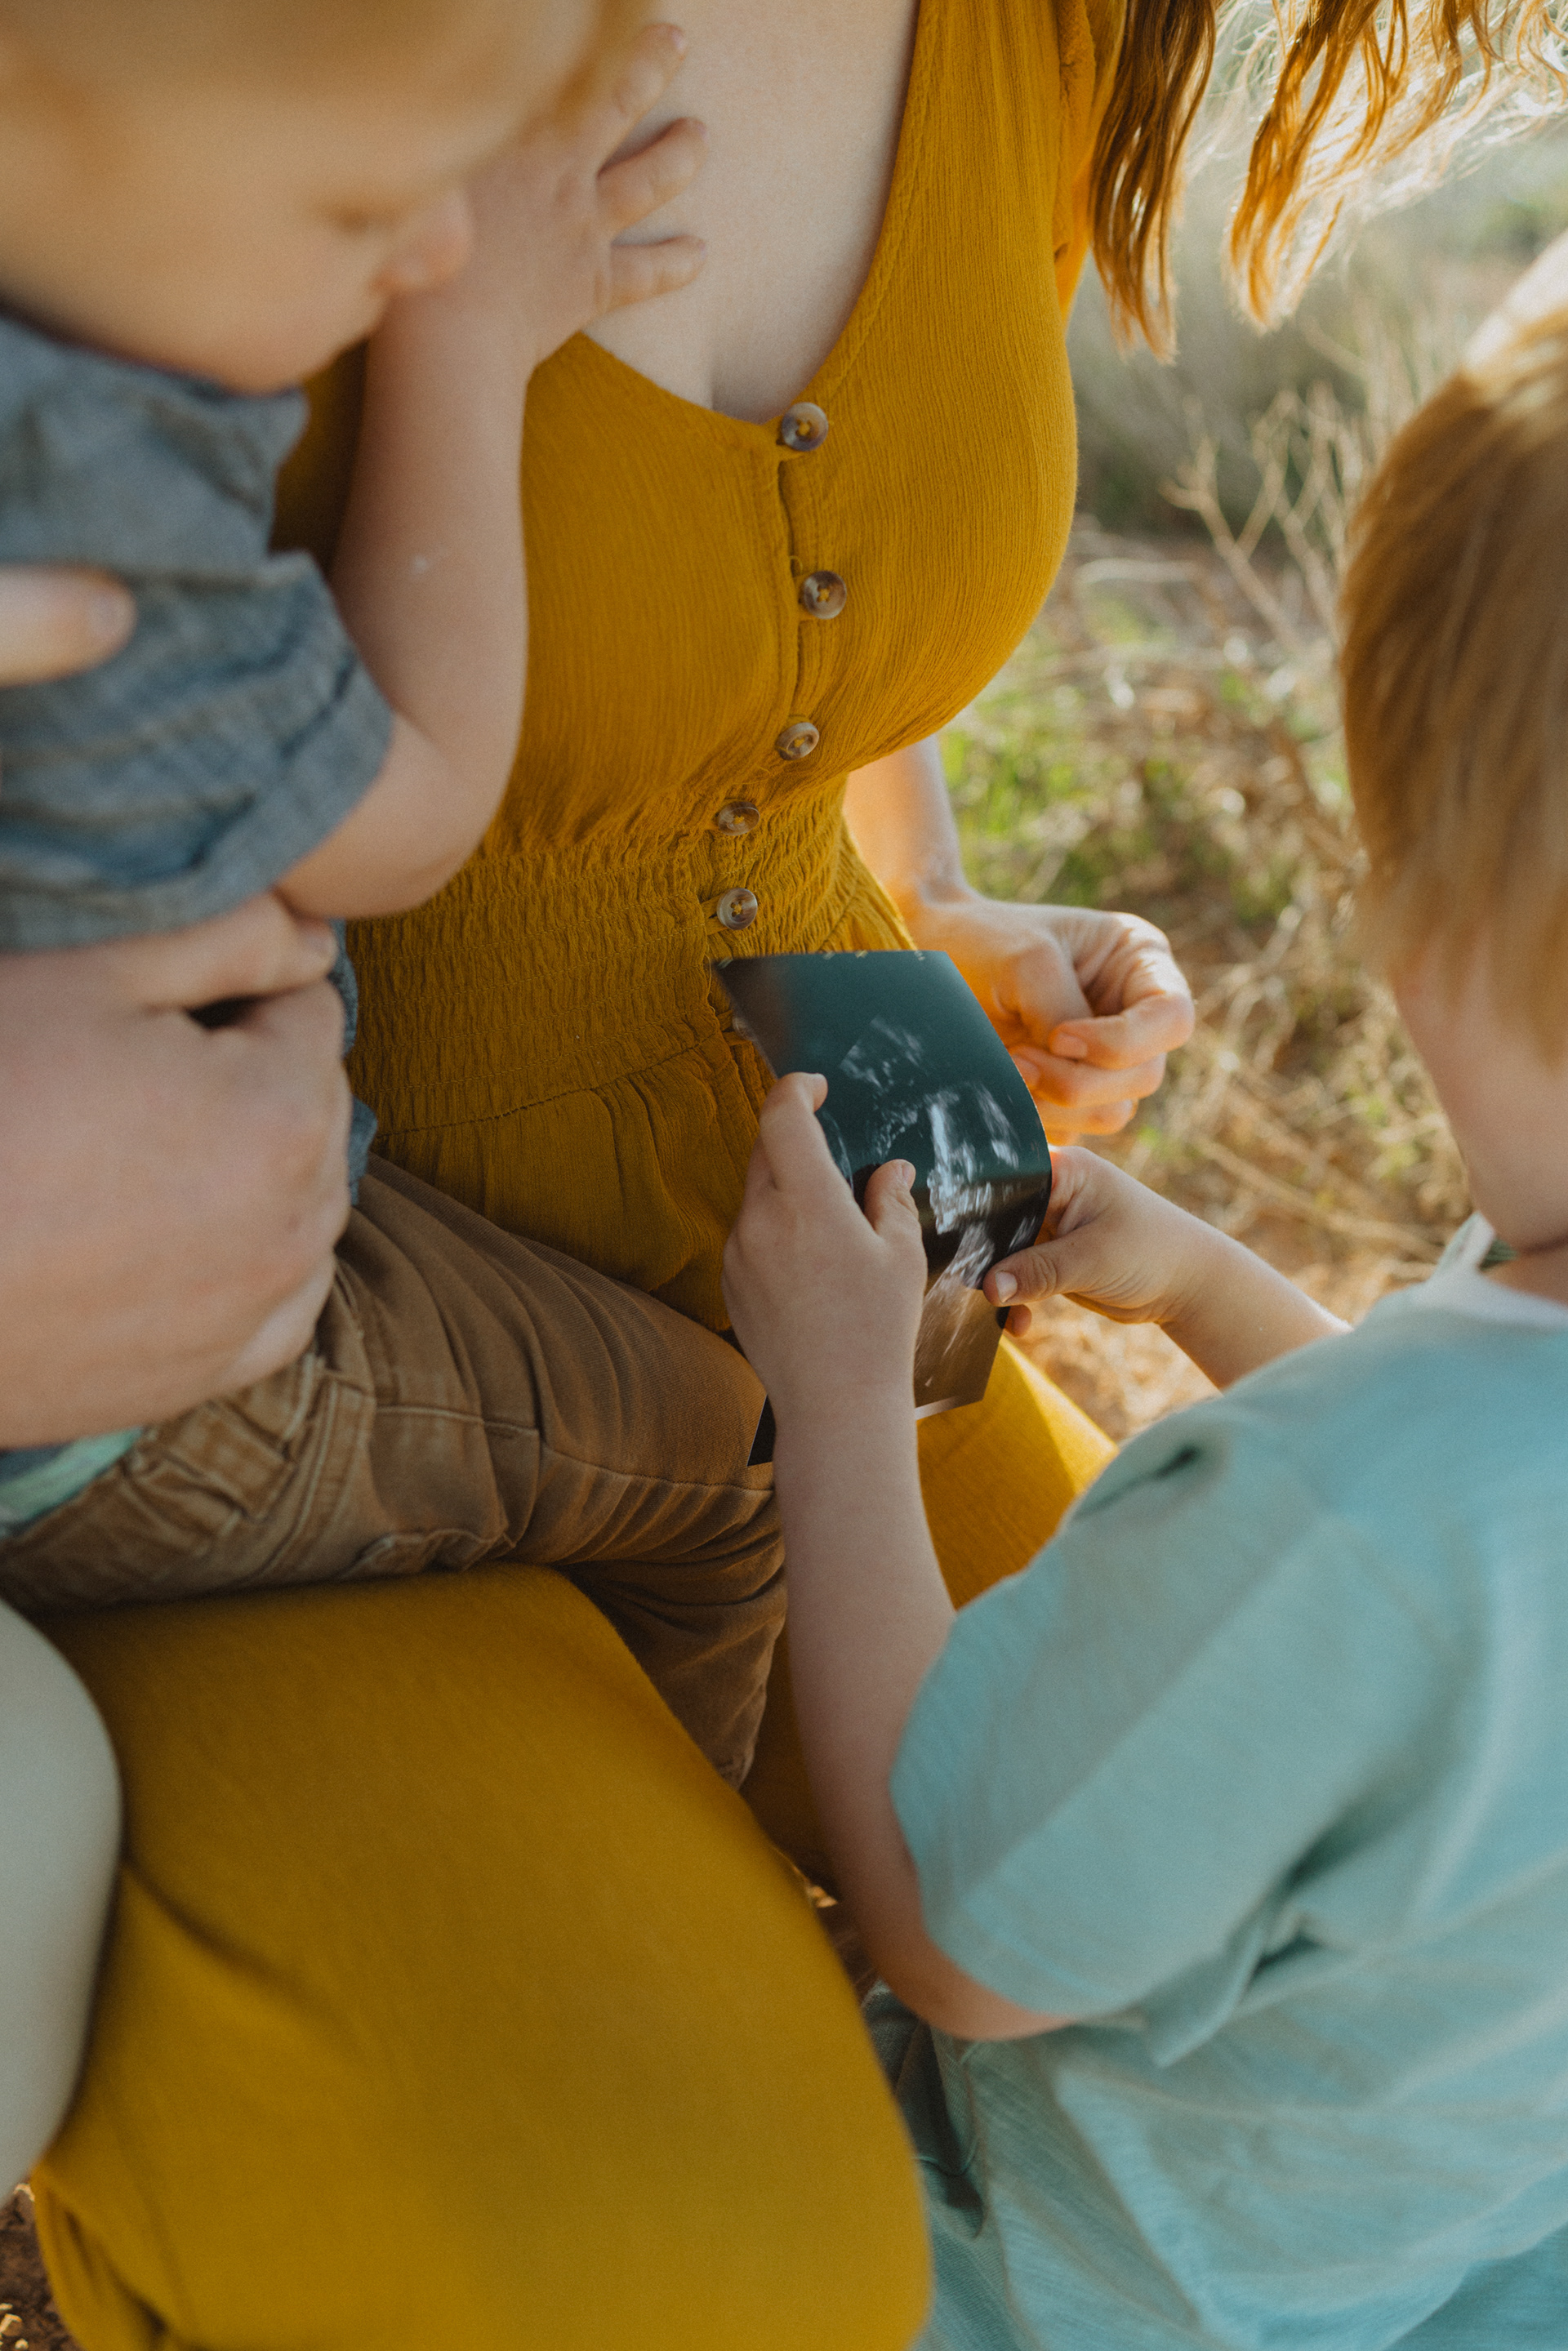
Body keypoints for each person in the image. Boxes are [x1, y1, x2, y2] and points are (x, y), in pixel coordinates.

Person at [275, 0, 1553, 1871]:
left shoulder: (1046, 31)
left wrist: (927, 888)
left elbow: (834, 520)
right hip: (366, 1330)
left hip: (897, 1300)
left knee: (1202, 1866)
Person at [719, 292, 1568, 2350]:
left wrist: (840, 1399)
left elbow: (951, 1918)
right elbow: (1463, 1593)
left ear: (1419, 905)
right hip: (1405, 2275)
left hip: (1045, 2289)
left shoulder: (1336, 1522)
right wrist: (1198, 1281)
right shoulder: (1437, 1479)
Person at [0, 0, 792, 1788]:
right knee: (725, 1463)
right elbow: (407, 812)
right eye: (361, 211)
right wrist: (471, 339)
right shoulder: (87, 475)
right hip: (160, 1380)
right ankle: (694, 1890)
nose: (429, 242)